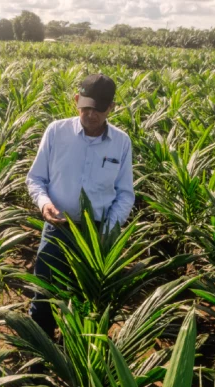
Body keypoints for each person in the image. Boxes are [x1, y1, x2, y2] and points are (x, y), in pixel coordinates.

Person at [25, 73, 135, 340]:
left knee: (89, 303)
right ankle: (42, 352)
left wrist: (107, 231)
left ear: (111, 108)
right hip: (58, 228)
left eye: (98, 108)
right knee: (44, 294)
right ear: (76, 100)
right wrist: (44, 204)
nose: (91, 114)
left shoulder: (121, 142)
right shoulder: (56, 132)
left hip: (98, 234)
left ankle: (76, 355)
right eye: (85, 106)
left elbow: (125, 194)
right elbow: (35, 178)